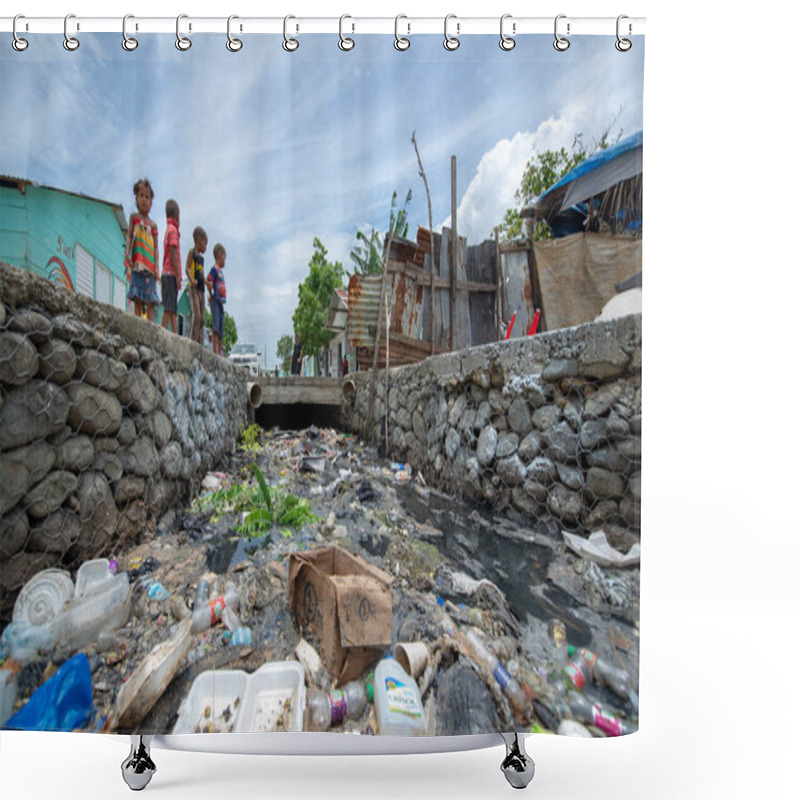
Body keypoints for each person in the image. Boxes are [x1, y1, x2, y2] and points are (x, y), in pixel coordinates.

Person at [125, 178, 159, 320]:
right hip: (137, 265)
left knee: (150, 300)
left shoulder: (153, 225)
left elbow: (156, 248)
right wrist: (127, 253)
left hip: (150, 268)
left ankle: (150, 330)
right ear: (136, 198)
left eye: (148, 197)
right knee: (138, 297)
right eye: (141, 196)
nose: (144, 200)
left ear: (151, 201)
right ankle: (138, 326)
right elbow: (129, 236)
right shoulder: (134, 218)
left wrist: (157, 267)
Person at [161, 199, 181, 333]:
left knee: (173, 308)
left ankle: (175, 336)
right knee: (169, 308)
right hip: (170, 275)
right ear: (176, 216)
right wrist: (178, 275)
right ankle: (161, 333)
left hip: (167, 274)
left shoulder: (168, 230)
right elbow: (173, 252)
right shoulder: (173, 230)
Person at [185, 226, 207, 345]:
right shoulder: (191, 252)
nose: (206, 247)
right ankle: (191, 341)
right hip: (194, 289)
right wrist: (191, 279)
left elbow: (202, 274)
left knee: (202, 319)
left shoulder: (202, 258)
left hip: (202, 290)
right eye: (205, 243)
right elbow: (187, 268)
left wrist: (207, 283)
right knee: (197, 316)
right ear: (199, 240)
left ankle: (200, 342)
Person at [206, 243, 227, 356]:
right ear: (219, 255)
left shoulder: (220, 272)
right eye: (224, 258)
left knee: (220, 329)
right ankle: (215, 351)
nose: (224, 261)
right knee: (215, 327)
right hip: (215, 300)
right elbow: (208, 281)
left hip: (220, 303)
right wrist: (210, 294)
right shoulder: (214, 270)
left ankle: (219, 352)